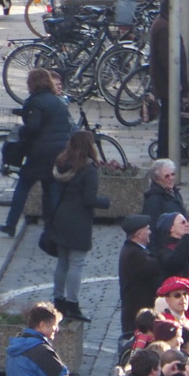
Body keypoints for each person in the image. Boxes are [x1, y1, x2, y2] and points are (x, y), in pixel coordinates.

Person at [44, 130, 111, 323]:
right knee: (76, 263)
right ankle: (72, 303)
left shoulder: (61, 163)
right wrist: (105, 202)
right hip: (78, 220)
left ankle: (58, 300)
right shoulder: (88, 169)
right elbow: (89, 199)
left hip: (60, 216)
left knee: (63, 261)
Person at [0, 67, 72, 238]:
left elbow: (33, 127)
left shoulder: (34, 101)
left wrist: (21, 132)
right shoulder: (57, 101)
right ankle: (52, 227)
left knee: (23, 185)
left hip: (41, 152)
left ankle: (11, 224)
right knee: (51, 189)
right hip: (60, 151)